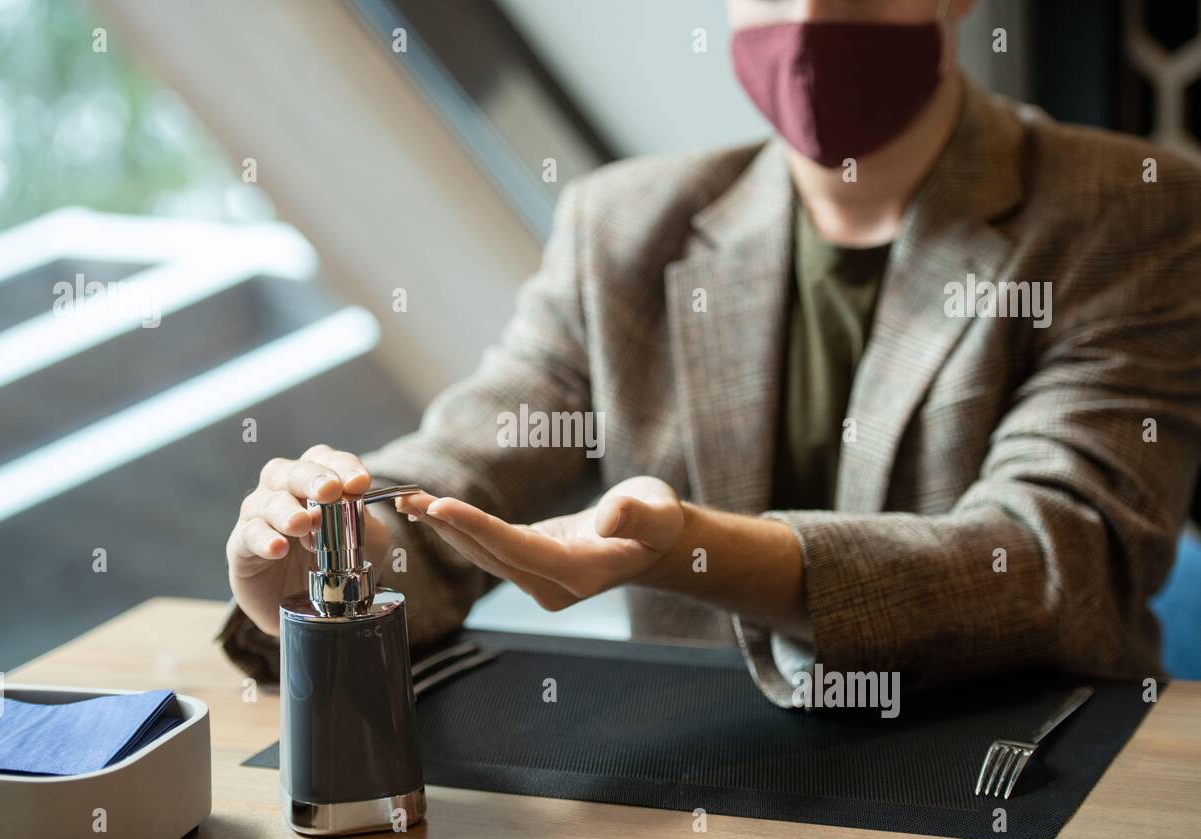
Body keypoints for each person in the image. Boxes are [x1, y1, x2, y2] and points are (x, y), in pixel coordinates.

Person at [220, 0, 1201, 706]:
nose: (811, 14)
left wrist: (699, 545)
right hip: (721, 785)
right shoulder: (626, 226)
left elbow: (1048, 559)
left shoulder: (1129, 210)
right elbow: (463, 471)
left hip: (1028, 771)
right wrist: (330, 557)